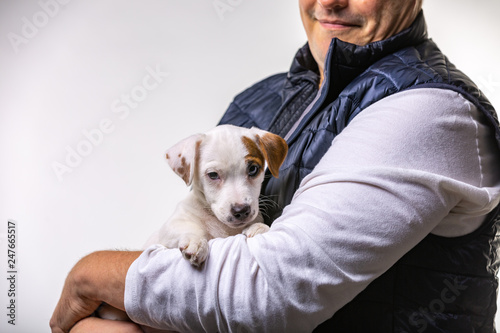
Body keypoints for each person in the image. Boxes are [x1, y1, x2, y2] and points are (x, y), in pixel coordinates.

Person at [51, 0, 500, 332]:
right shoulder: (256, 103)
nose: (330, 2)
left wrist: (92, 276)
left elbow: (272, 291)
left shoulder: (429, 110)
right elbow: (197, 279)